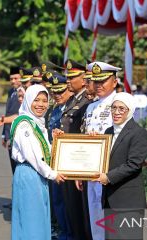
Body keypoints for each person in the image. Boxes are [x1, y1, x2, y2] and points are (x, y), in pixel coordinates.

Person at [10, 84, 65, 240]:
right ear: (28, 101)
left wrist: (56, 141)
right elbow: (33, 156)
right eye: (36, 100)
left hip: (37, 175)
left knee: (40, 219)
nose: (41, 104)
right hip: (29, 174)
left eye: (44, 100)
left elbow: (44, 151)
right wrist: (52, 174)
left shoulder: (36, 123)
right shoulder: (24, 124)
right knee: (31, 221)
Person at [96, 92, 147, 240]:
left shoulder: (138, 132)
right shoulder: (108, 131)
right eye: (113, 108)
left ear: (130, 110)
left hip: (128, 203)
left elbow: (134, 164)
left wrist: (108, 177)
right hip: (110, 200)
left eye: (121, 109)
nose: (116, 112)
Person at [79, 61, 120, 240]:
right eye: (96, 81)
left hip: (111, 170)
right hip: (91, 170)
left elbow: (124, 138)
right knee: (95, 215)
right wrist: (80, 171)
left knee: (111, 218)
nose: (99, 85)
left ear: (115, 82)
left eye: (103, 80)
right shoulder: (91, 107)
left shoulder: (121, 104)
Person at [60, 59, 92, 240]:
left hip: (79, 161)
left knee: (79, 208)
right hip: (68, 159)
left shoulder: (87, 101)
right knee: (70, 205)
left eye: (72, 77)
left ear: (83, 79)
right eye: (68, 77)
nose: (68, 81)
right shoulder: (73, 99)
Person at [47, 72, 73, 239]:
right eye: (54, 92)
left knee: (69, 201)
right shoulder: (54, 110)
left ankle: (70, 232)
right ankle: (62, 230)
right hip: (54, 160)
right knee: (57, 199)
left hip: (72, 160)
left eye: (60, 91)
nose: (57, 95)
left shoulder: (76, 107)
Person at [2, 67, 22, 175]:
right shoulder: (11, 92)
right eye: (11, 79)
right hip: (9, 134)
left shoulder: (25, 92)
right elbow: (7, 113)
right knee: (13, 167)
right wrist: (4, 135)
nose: (13, 81)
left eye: (15, 78)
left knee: (20, 167)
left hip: (20, 133)